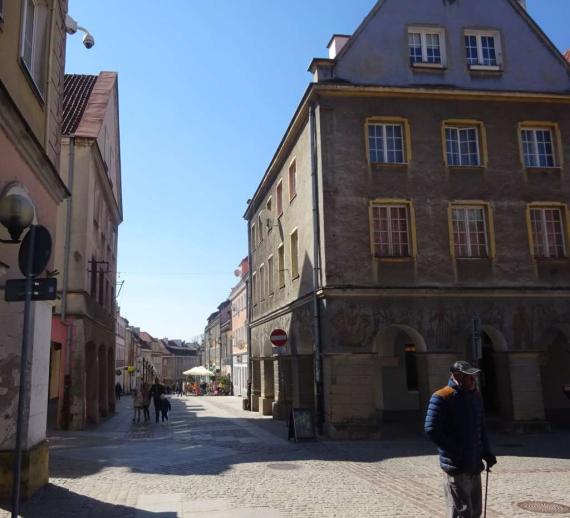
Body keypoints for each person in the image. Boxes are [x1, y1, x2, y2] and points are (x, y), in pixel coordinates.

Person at [425, 361, 497, 518]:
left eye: (474, 377)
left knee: (475, 510)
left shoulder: (476, 396)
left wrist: (487, 451)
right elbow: (431, 429)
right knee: (461, 511)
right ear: (457, 376)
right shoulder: (442, 396)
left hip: (475, 463)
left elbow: (481, 427)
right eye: (469, 377)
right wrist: (455, 451)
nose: (474, 381)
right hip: (456, 464)